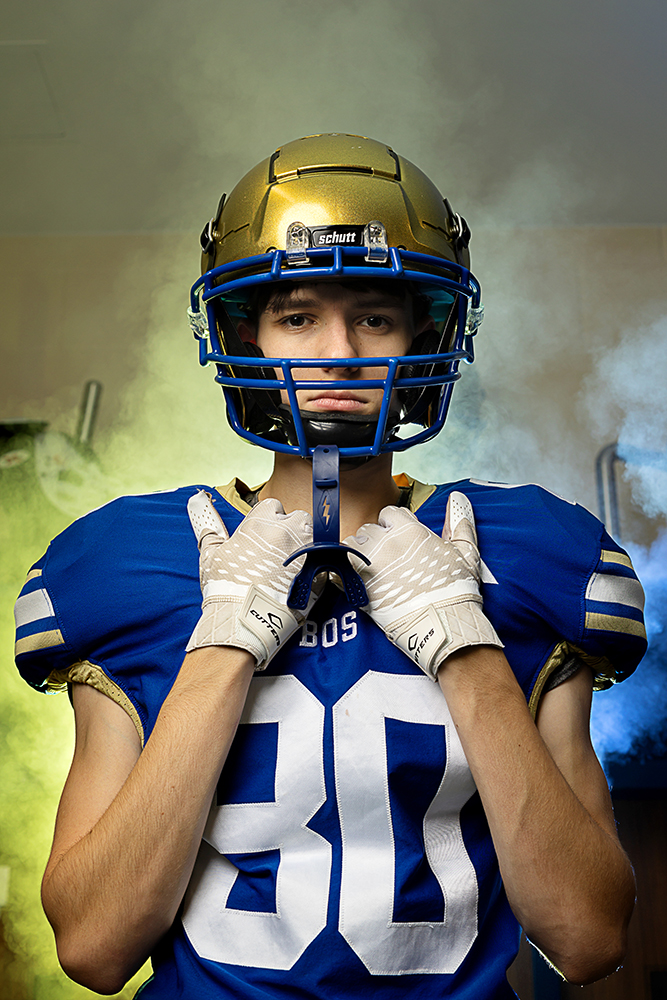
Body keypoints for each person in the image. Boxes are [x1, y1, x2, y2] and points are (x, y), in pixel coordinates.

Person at [14, 133, 647, 1000]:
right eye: (299, 315)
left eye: (375, 317)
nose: (339, 351)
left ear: (427, 331)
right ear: (245, 332)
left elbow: (586, 937)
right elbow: (93, 948)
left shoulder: (530, 549)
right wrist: (223, 646)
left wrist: (466, 646)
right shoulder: (128, 559)